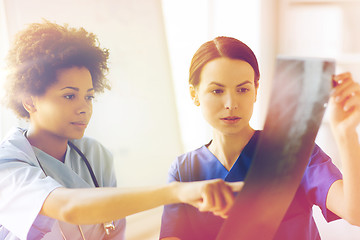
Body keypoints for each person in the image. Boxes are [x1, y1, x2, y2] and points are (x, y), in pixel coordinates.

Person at [0, 22, 243, 240]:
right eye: (69, 96)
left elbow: (111, 231)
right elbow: (68, 208)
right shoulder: (8, 164)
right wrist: (177, 191)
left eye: (89, 96)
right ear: (30, 101)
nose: (84, 108)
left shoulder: (95, 155)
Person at [159, 36, 360, 240]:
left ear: (255, 91)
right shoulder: (184, 171)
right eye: (217, 90)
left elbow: (356, 213)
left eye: (243, 89)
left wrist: (346, 134)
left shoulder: (294, 151)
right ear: (194, 95)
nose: (231, 103)